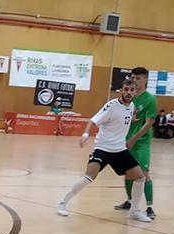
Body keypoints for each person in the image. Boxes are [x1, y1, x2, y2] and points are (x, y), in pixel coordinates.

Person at [56, 78, 152, 223]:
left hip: (119, 149)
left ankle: (135, 211)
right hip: (103, 148)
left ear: (135, 91)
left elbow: (123, 118)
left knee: (140, 177)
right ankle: (62, 203)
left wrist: (132, 120)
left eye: (132, 90)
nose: (128, 92)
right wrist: (85, 134)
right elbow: (93, 121)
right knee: (89, 176)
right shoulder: (112, 105)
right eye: (126, 89)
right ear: (121, 90)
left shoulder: (132, 106)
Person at [113, 66, 157, 219]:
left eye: (138, 78)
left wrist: (133, 139)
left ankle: (150, 207)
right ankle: (130, 201)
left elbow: (149, 123)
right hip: (126, 141)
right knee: (128, 173)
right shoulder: (129, 98)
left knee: (144, 174)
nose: (135, 81)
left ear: (145, 80)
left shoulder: (150, 99)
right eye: (133, 78)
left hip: (141, 143)